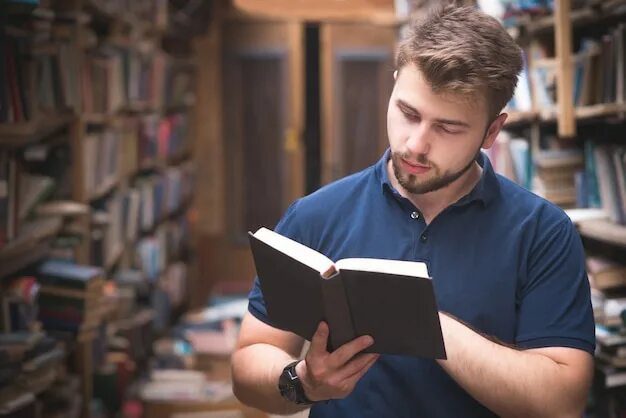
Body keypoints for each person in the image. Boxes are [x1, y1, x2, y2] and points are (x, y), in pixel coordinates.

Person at [231, 5, 595, 417]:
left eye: (448, 127)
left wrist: (417, 319)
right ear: (393, 87)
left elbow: (561, 404)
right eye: (408, 113)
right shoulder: (316, 214)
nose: (416, 145)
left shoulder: (543, 233)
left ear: (492, 131)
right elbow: (248, 364)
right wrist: (303, 381)